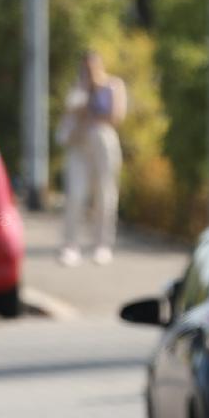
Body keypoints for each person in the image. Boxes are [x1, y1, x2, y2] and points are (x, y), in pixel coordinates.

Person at [58, 50, 127, 266]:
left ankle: (102, 244)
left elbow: (115, 115)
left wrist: (95, 97)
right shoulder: (77, 89)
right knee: (75, 195)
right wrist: (84, 97)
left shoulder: (112, 85)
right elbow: (70, 116)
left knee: (105, 194)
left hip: (103, 143)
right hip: (80, 144)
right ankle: (71, 245)